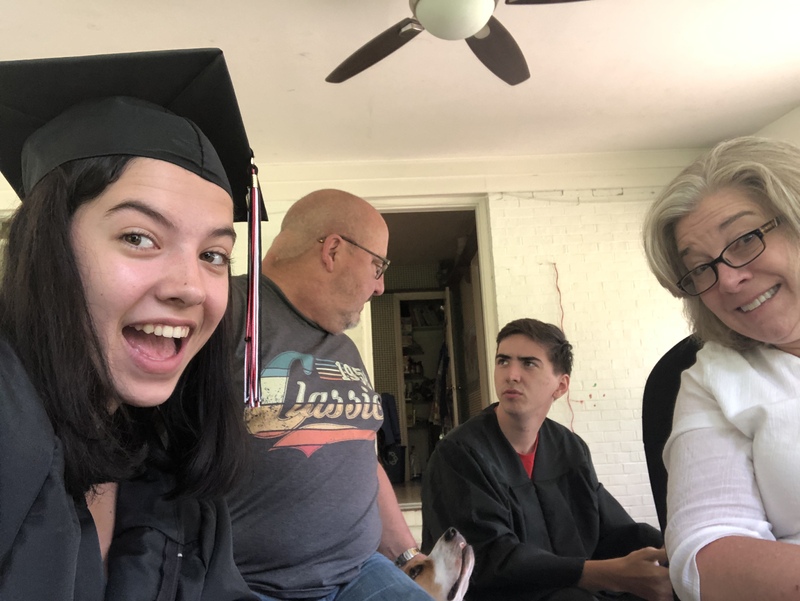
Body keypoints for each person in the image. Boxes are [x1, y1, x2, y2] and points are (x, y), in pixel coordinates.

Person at [0, 49, 258, 600]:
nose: (189, 286)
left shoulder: (170, 464)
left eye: (214, 254)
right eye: (139, 237)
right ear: (45, 250)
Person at [226, 189, 433, 600]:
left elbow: (359, 451)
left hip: (361, 571)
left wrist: (408, 555)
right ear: (334, 250)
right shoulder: (227, 312)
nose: (380, 287)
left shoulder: (343, 346)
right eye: (378, 266)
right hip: (254, 586)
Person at [642, 135, 800, 601]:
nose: (728, 279)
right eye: (703, 268)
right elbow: (704, 553)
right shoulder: (711, 380)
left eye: (746, 240)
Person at [422, 318, 671, 601]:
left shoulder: (569, 448)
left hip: (567, 590)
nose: (511, 374)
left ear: (561, 385)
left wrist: (672, 552)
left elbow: (611, 529)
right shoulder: (460, 454)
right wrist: (605, 573)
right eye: (503, 361)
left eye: (528, 363)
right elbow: (489, 560)